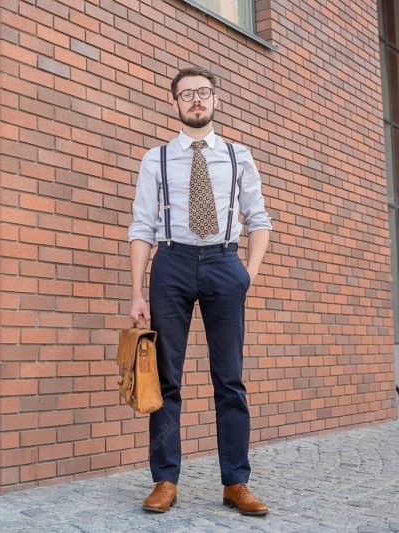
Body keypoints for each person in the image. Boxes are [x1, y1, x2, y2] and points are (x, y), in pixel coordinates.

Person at [128, 66, 271, 516]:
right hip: (171, 263)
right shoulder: (157, 158)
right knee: (167, 378)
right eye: (186, 93)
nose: (196, 100)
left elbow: (259, 219)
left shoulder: (237, 155)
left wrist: (246, 272)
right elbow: (142, 225)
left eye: (203, 92)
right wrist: (136, 292)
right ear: (174, 102)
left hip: (224, 262)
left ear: (215, 99)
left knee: (229, 378)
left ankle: (236, 482)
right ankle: (165, 480)